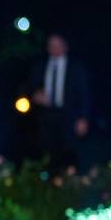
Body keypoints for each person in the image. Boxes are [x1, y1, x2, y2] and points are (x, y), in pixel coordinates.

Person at [30, 32, 90, 170]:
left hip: (69, 116)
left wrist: (84, 118)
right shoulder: (40, 66)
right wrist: (34, 95)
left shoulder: (76, 67)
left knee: (69, 155)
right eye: (51, 45)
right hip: (46, 117)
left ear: (65, 47)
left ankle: (70, 184)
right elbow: (28, 88)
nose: (54, 49)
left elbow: (84, 94)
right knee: (47, 156)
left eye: (57, 45)